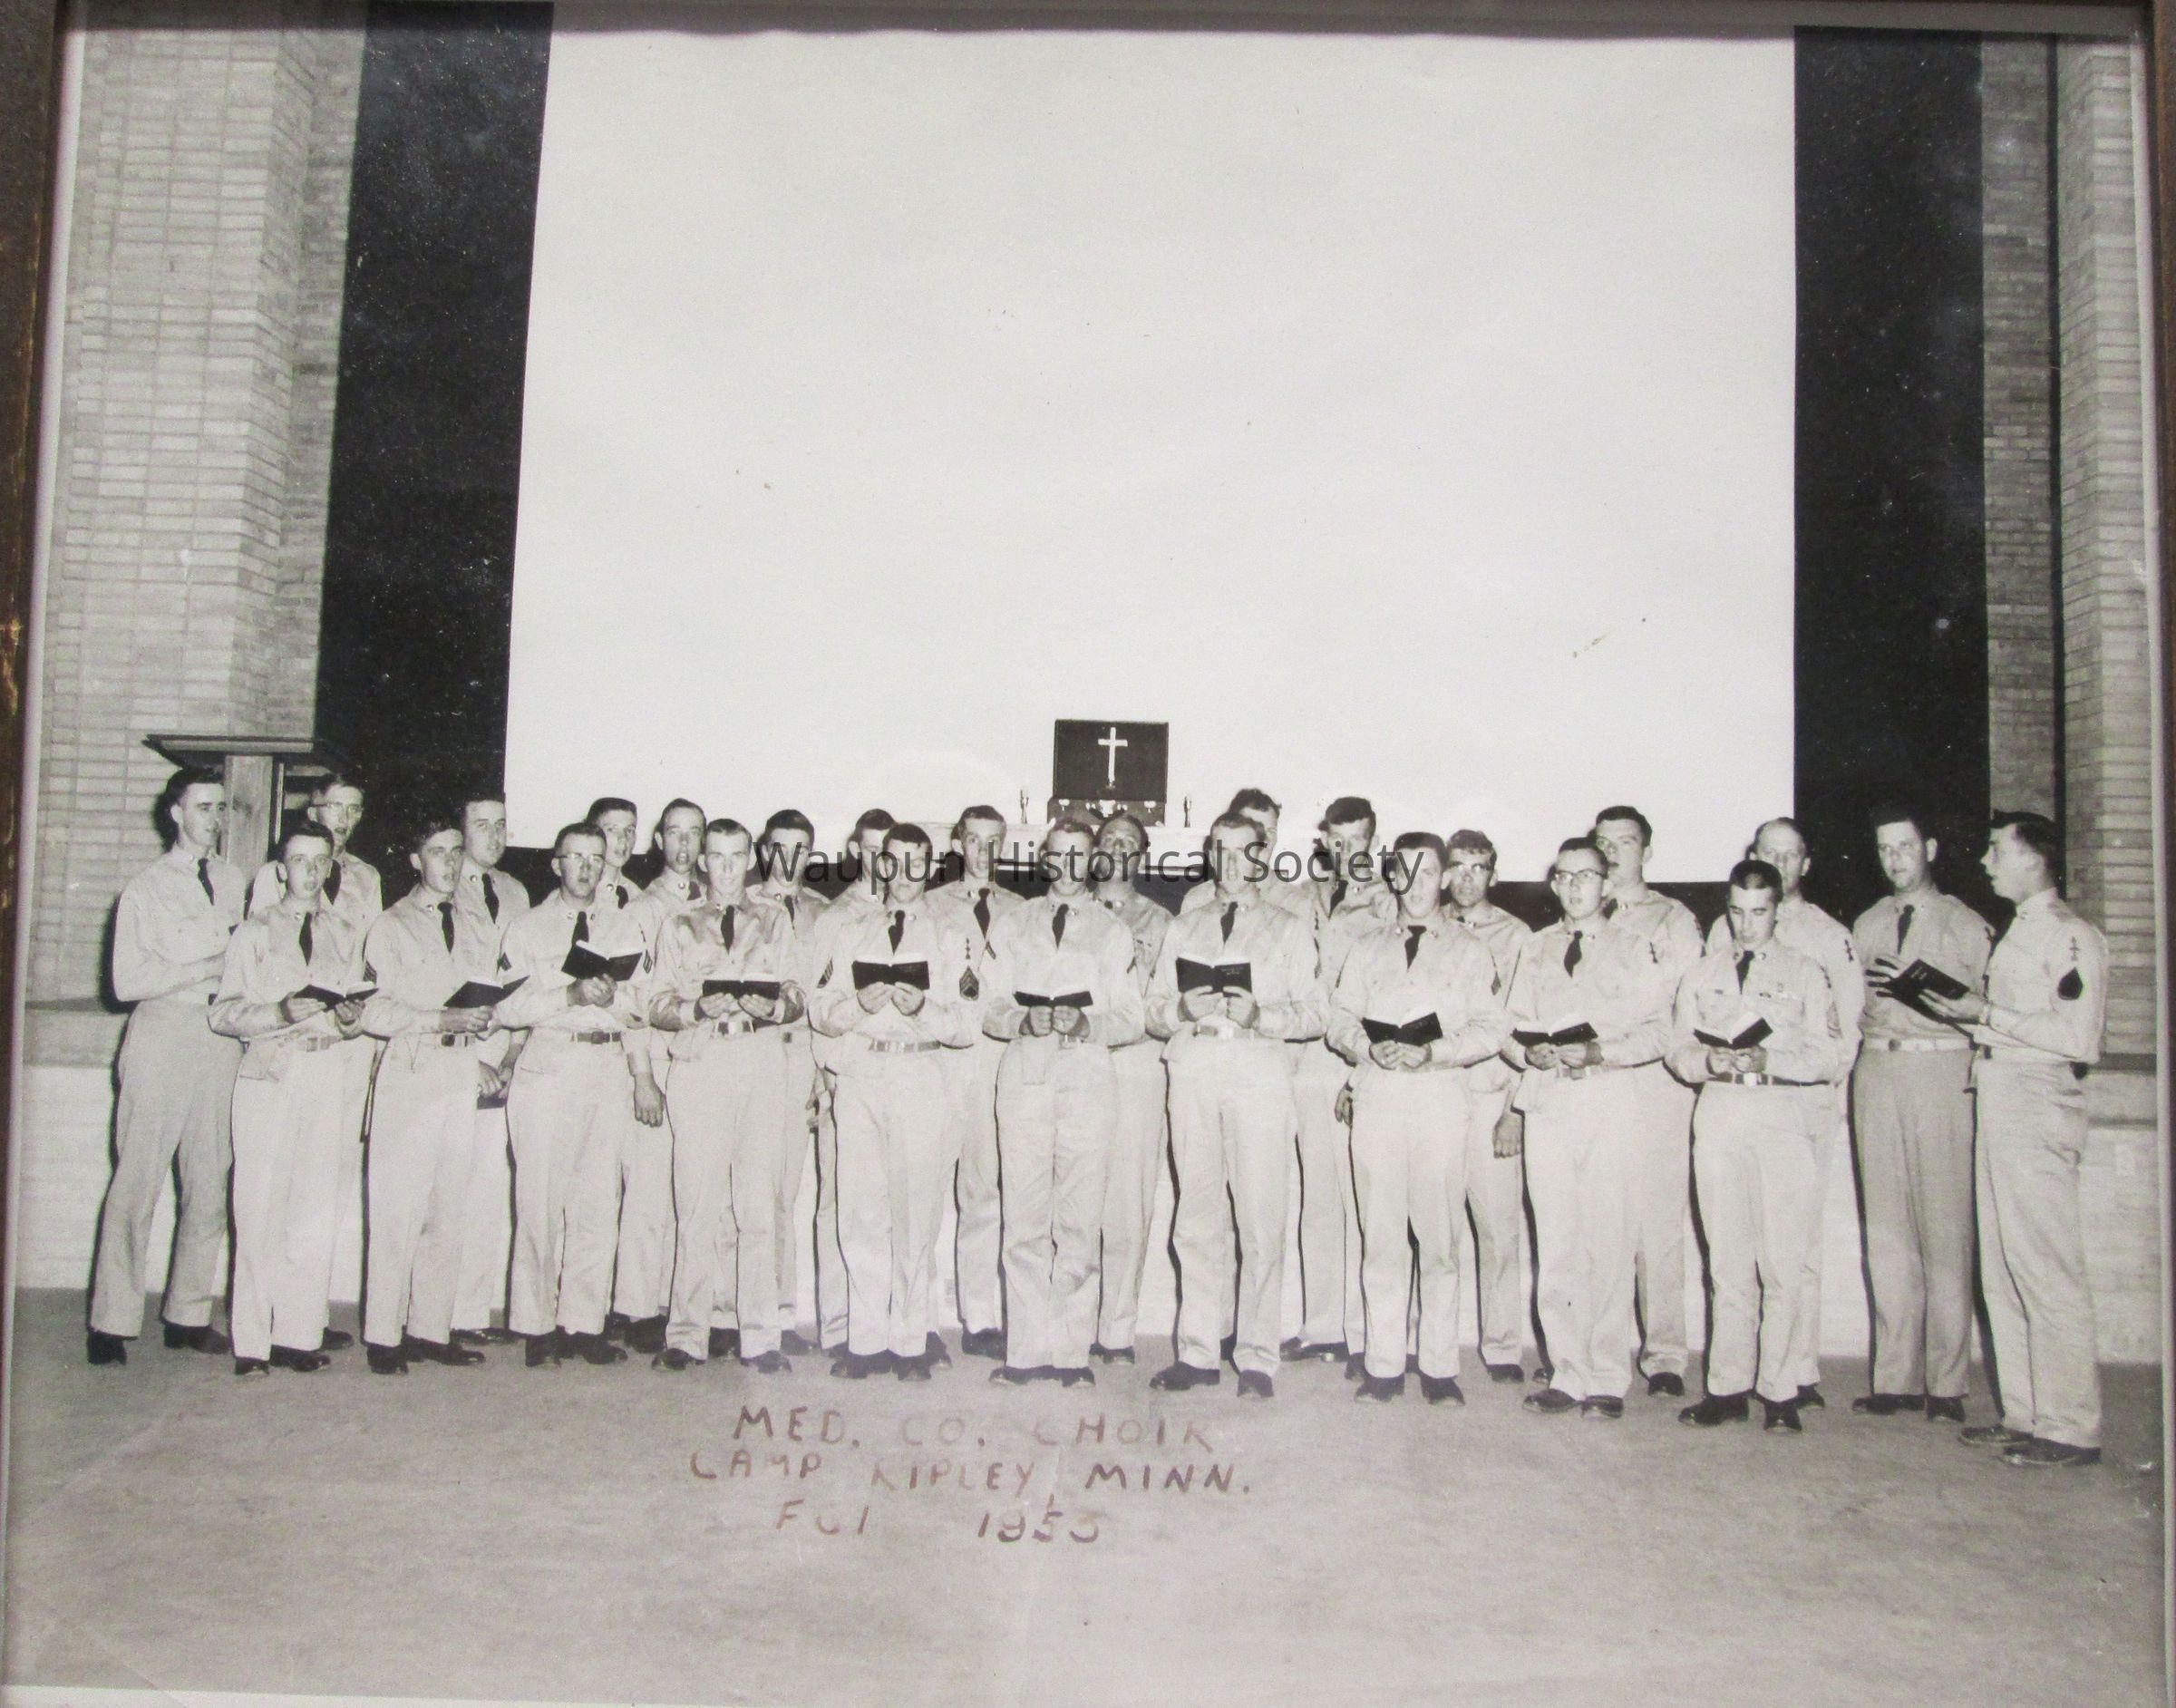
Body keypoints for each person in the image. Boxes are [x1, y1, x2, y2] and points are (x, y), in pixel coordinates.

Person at [1920, 811, 2111, 1469]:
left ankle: (2072, 1427)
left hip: (2036, 1100)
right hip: (2000, 1093)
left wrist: (1987, 1013)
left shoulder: (2071, 935)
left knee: (2045, 1267)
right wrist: (1968, 1016)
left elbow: (2078, 1037)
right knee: (2002, 1268)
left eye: (1997, 850)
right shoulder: (2020, 931)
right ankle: (2027, 1415)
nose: (1985, 862)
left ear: (2034, 859)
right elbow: (2013, 1021)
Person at [1670, 859, 1853, 1434]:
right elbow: (1677, 1048)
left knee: (1782, 1261)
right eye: (1737, 913)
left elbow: (1829, 1055)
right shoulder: (1702, 973)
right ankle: (1726, 1388)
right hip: (1721, 1109)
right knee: (1726, 1261)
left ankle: (1780, 1390)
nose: (1747, 925)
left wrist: (1771, 1057)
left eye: (1759, 912)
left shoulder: (1807, 973)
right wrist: (1707, 1060)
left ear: (1777, 911)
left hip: (1780, 1112)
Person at [1146, 812, 1325, 1400]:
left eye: (1240, 850)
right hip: (1196, 1066)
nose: (1228, 862)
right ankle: (1198, 1351)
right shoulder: (1185, 925)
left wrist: (1261, 1015)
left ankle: (1256, 1357)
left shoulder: (1289, 928)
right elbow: (1152, 1008)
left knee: (1260, 1217)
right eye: (1218, 849)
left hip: (1258, 1070)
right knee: (1196, 1217)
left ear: (1261, 856)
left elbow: (1316, 1013)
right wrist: (1181, 1011)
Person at [1327, 832, 1509, 1404]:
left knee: (1439, 1239)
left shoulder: (1471, 950)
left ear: (1446, 878)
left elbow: (1491, 1028)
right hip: (1379, 1098)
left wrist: (1435, 1052)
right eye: (1403, 872)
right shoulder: (1367, 946)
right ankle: (1383, 1364)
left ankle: (1438, 1367)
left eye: (1427, 872)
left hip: (1439, 1100)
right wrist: (1366, 1047)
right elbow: (1339, 1018)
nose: (1414, 885)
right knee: (1381, 1236)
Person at [1507, 837, 1676, 1422]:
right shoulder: (1534, 947)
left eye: (1587, 876)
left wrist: (1602, 1051)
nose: (1575, 887)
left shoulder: (1635, 947)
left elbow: (1660, 1032)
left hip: (1610, 1102)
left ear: (1606, 884)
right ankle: (1566, 1372)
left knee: (1609, 1240)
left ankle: (1606, 1376)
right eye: (1565, 876)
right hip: (1550, 1104)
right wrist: (1528, 1053)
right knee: (1557, 1244)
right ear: (1554, 883)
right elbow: (1510, 1027)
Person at [87, 768, 247, 1365]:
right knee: (138, 1182)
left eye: (221, 808)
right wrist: (208, 966)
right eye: (203, 807)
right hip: (162, 1035)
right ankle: (110, 1322)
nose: (215, 819)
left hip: (219, 1038)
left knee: (209, 1184)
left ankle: (187, 1315)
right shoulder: (146, 888)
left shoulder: (233, 881)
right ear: (175, 813)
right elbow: (126, 982)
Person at [1707, 817, 1868, 1408]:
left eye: (1790, 854)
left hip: (1802, 1103)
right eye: (1768, 852)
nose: (1778, 862)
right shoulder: (1724, 930)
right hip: (1737, 1100)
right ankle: (1736, 1377)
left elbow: (1843, 1029)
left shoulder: (1827, 936)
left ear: (1806, 862)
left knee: (1795, 1249)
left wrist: (1825, 1094)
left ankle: (1796, 1372)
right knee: (1736, 1251)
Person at [811, 823, 978, 1380]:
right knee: (860, 1212)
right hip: (862, 1074)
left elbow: (968, 1023)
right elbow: (820, 1009)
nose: (904, 874)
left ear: (931, 868)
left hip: (921, 1074)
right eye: (894, 862)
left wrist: (922, 1008)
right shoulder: (849, 927)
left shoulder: (954, 932)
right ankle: (865, 1341)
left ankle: (910, 1342)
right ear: (880, 865)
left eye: (917, 863)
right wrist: (858, 1005)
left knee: (915, 1214)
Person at [980, 820, 1144, 1386]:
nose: (1068, 867)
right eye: (1058, 855)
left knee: (1079, 1219)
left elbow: (1132, 1018)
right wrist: (1021, 1019)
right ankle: (1024, 1352)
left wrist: (1087, 1022)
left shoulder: (1112, 932)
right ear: (1044, 860)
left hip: (1087, 1079)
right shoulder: (1012, 924)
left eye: (1080, 856)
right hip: (1025, 1077)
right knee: (1024, 1217)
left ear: (1093, 860)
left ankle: (1072, 1353)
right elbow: (989, 1006)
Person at [492, 822, 656, 1368]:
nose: (586, 868)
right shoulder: (527, 928)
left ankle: (583, 1323)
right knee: (539, 1201)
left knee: (598, 1201)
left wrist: (636, 1063)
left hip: (607, 1066)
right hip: (550, 1066)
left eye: (595, 858)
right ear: (555, 863)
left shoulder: (624, 925)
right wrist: (569, 994)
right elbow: (507, 1009)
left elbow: (643, 1008)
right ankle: (536, 1325)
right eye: (576, 857)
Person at [209, 823, 372, 1375]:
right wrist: (279, 1012)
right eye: (299, 861)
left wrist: (351, 1018)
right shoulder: (253, 932)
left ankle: (298, 1335)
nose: (310, 871)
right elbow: (223, 1013)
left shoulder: (347, 931)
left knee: (313, 1208)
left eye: (320, 861)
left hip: (326, 1071)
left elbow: (357, 1010)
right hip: (270, 1074)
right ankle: (252, 1343)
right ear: (281, 870)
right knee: (259, 1208)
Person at [1849, 807, 1993, 1422]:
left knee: (1944, 1227)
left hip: (1940, 1071)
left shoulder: (1965, 923)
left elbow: (1992, 1004)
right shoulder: (1867, 923)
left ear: (1929, 848)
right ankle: (1895, 1378)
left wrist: (1934, 994)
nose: (1895, 860)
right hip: (1879, 1070)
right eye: (1885, 849)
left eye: (1905, 847)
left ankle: (1947, 1382)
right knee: (1886, 1228)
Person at [647, 818, 802, 1373]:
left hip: (759, 1060)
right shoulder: (677, 923)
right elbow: (656, 1004)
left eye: (738, 856)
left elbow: (796, 991)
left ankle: (760, 1336)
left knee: (757, 1204)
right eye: (717, 856)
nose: (728, 868)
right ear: (702, 861)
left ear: (751, 859)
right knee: (696, 1203)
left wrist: (776, 1008)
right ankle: (687, 1334)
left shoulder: (776, 919)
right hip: (702, 1062)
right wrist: (694, 1009)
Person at [355, 813, 499, 1374]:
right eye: (438, 852)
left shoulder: (474, 922)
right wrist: (439, 1017)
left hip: (457, 1071)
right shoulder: (390, 925)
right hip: (410, 1073)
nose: (451, 862)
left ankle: (430, 1329)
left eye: (457, 851)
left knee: (448, 1208)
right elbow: (372, 1011)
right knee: (398, 1210)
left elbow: (484, 994)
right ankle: (383, 1335)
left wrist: (485, 1017)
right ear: (416, 861)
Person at [248, 772, 383, 1353]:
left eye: (355, 809)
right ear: (314, 809)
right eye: (336, 807)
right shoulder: (274, 877)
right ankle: (267, 1318)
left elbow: (369, 957)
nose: (345, 819)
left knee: (325, 1183)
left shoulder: (366, 877)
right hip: (288, 1043)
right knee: (277, 1186)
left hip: (344, 1044)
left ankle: (305, 1317)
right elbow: (265, 961)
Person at [1590, 805, 1704, 1398]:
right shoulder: (1581, 913)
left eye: (1625, 842)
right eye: (1603, 843)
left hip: (1654, 1081)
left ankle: (1664, 1356)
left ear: (1647, 851)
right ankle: (1591, 1348)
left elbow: (1685, 998)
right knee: (1598, 1218)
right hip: (1597, 1080)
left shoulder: (1672, 918)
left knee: (1657, 1224)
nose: (1613, 854)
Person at [1287, 795, 1394, 1366]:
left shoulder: (1390, 903)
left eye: (1358, 840)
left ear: (1374, 843)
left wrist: (1362, 1070)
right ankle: (1322, 1326)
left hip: (1358, 1059)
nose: (1347, 850)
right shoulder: (1301, 897)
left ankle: (1364, 1333)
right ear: (1324, 842)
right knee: (1319, 1198)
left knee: (1362, 1200)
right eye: (1338, 840)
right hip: (1309, 1059)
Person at [606, 797, 709, 1353]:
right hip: (658, 1059)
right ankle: (637, 1306)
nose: (684, 844)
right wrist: (642, 1075)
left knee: (688, 1190)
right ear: (659, 840)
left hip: (701, 1060)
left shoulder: (714, 905)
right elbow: (633, 999)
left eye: (694, 833)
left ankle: (676, 1305)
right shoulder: (642, 910)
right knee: (647, 1188)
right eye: (674, 832)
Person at [800, 807, 896, 1356]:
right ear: (857, 852)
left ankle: (893, 1324)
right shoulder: (835, 918)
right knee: (840, 1202)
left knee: (895, 1205)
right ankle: (839, 1324)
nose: (884, 862)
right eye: (873, 850)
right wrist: (824, 1074)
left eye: (893, 852)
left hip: (900, 1080)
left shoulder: (917, 911)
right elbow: (819, 1003)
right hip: (848, 1077)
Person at [1442, 828, 1535, 1383]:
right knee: (1433, 1227)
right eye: (1457, 866)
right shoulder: (1428, 926)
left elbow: (1524, 1025)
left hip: (1489, 1094)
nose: (1466, 878)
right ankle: (1430, 1344)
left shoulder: (1518, 936)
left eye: (1478, 868)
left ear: (1493, 875)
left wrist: (1513, 1109)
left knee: (1497, 1228)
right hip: (1435, 1093)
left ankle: (1501, 1347)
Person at [929, 804, 1023, 1360]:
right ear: (957, 843)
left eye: (994, 842)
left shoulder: (1021, 910)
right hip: (943, 1062)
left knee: (985, 1192)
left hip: (997, 1064)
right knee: (925, 1192)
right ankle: (916, 1321)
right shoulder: (930, 905)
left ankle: (981, 1318)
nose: (983, 852)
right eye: (973, 840)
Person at [1088, 811, 1173, 1364]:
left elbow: (1167, 1000)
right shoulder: (1068, 910)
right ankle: (1067, 1322)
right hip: (1077, 1062)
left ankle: (1116, 1330)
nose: (1118, 849)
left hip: (1136, 1064)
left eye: (1129, 842)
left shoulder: (1163, 921)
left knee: (1127, 1201)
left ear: (1141, 856)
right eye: (1109, 840)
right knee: (1072, 1198)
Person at [449, 791, 530, 1347]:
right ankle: (430, 1314)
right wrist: (469, 1058)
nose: (494, 835)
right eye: (482, 825)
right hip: (454, 1052)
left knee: (487, 1189)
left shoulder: (516, 892)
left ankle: (469, 1313)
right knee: (447, 1190)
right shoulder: (441, 891)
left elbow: (523, 979)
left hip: (501, 1053)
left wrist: (511, 1055)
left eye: (501, 825)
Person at [753, 808, 830, 1354]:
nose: (790, 859)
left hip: (799, 1055)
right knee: (745, 1190)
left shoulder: (823, 913)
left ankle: (780, 1314)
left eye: (801, 849)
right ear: (764, 852)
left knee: (784, 1190)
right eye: (780, 847)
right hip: (751, 1053)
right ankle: (733, 1311)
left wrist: (821, 1071)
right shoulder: (741, 906)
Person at [1179, 787, 1309, 917]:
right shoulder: (1198, 899)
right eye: (1255, 829)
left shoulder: (1296, 902)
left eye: (1271, 831)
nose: (1265, 840)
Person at [584, 797, 641, 913]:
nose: (623, 839)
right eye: (612, 830)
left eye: (630, 830)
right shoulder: (577, 891)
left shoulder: (637, 895)